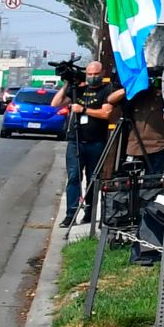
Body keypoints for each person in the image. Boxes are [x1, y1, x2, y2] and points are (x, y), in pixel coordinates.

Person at [62, 58, 122, 228]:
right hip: (76, 141)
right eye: (89, 74)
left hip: (96, 141)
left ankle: (90, 212)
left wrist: (84, 110)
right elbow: (55, 103)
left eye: (96, 74)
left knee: (93, 178)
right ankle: (70, 214)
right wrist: (67, 84)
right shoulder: (79, 90)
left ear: (102, 74)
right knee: (74, 177)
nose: (92, 77)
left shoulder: (107, 90)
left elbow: (106, 114)